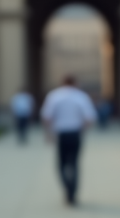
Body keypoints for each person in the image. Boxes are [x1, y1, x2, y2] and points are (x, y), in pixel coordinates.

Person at [40, 75, 97, 206]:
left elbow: (46, 116)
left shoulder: (54, 96)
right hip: (75, 133)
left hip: (61, 133)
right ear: (75, 83)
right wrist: (82, 130)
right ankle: (73, 192)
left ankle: (67, 187)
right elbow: (90, 118)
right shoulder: (81, 96)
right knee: (75, 163)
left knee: (61, 164)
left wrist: (48, 133)